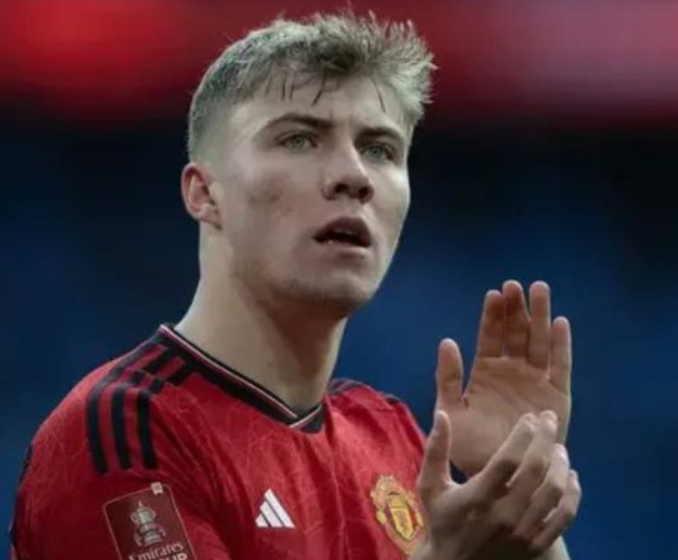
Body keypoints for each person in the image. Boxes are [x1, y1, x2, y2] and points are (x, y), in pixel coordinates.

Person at [10, 11, 581, 560]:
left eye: (380, 149)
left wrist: (517, 498)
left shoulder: (388, 434)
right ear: (204, 194)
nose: (354, 176)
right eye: (300, 140)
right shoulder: (126, 435)